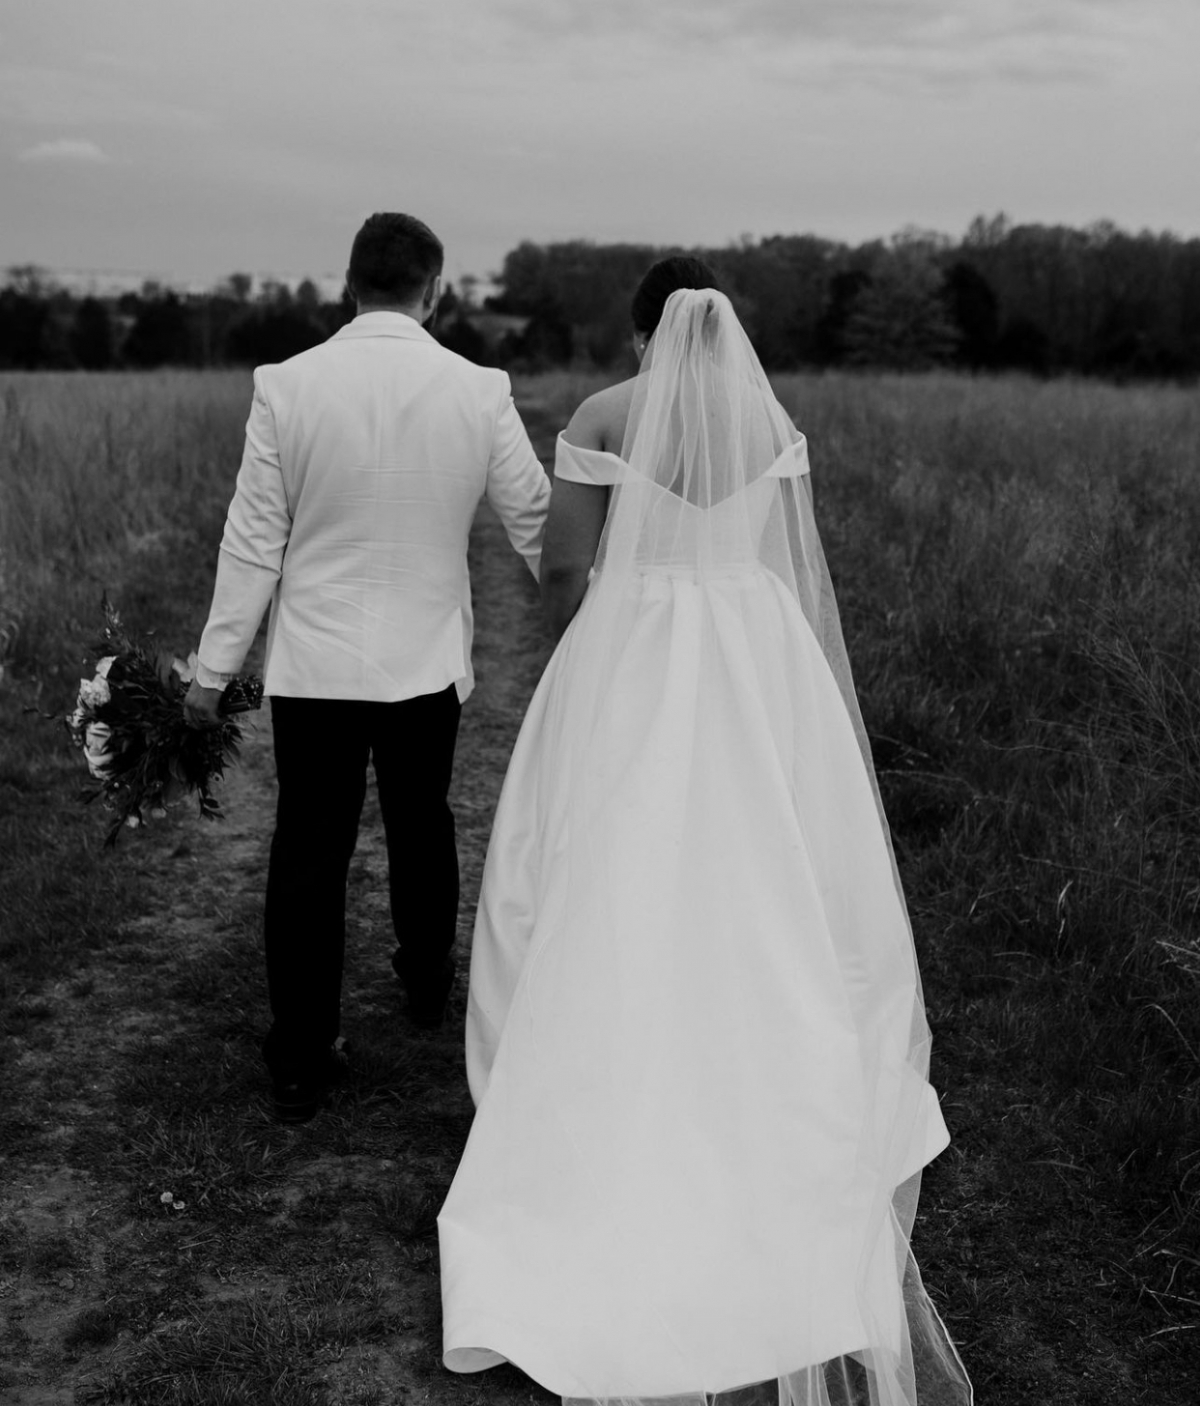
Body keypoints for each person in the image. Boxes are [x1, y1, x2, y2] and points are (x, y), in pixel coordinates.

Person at [437, 259, 973, 1406]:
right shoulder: (769, 419)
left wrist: (585, 636)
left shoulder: (603, 413)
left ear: (645, 334)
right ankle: (764, 1048)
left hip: (638, 646)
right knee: (769, 864)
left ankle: (598, 1064)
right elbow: (788, 556)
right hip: (756, 652)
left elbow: (566, 563)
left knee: (603, 859)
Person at [183, 212, 551, 1124]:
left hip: (316, 666)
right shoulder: (479, 389)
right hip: (425, 663)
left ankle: (301, 1056)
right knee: (423, 821)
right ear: (436, 290)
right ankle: (426, 979)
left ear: (348, 284)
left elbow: (252, 541)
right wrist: (612, 607)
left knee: (310, 842)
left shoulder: (286, 385)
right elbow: (537, 524)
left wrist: (211, 671)